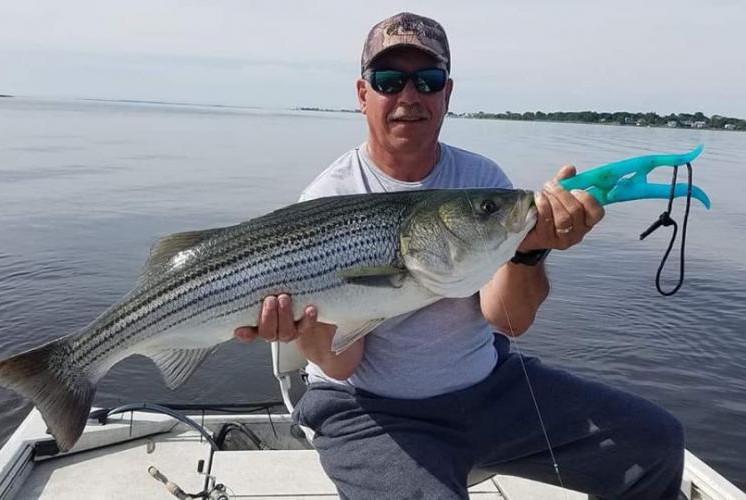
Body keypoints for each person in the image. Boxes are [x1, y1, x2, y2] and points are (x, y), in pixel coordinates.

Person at [235, 12, 685, 500]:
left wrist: (528, 254)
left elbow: (507, 321)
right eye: (389, 80)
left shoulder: (479, 178)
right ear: (363, 94)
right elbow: (343, 365)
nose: (409, 96)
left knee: (655, 443)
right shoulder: (329, 196)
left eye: (427, 81)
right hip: (370, 411)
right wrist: (301, 331)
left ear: (447, 95)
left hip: (491, 390)